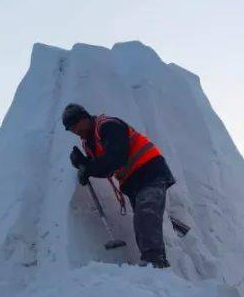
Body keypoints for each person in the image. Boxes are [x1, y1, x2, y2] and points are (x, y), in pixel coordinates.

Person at [62, 104, 175, 267]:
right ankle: (154, 264)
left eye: (76, 124)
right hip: (133, 182)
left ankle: (155, 263)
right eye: (70, 128)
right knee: (141, 223)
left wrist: (89, 167)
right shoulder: (89, 142)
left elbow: (116, 158)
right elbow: (105, 169)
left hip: (150, 171)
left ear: (85, 117)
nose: (74, 130)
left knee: (146, 215)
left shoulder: (107, 125)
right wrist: (85, 165)